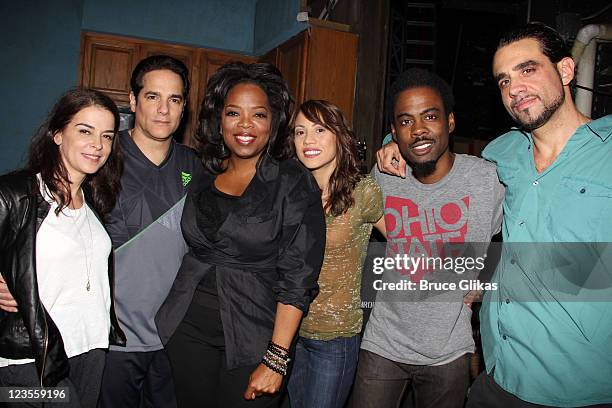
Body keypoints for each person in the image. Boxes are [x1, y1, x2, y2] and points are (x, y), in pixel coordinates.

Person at [377, 23, 612, 408]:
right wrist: (392, 145)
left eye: (528, 69)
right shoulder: (504, 153)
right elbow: (440, 157)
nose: (514, 88)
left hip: (581, 389)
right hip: (498, 380)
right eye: (503, 80)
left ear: (566, 71)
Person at [155, 62, 326, 408]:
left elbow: (298, 278)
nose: (245, 125)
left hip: (256, 335)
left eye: (258, 115)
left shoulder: (292, 182)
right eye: (234, 112)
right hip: (186, 328)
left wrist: (277, 358)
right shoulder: (202, 172)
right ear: (220, 120)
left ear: (273, 122)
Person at [352, 68, 504, 408]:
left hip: (449, 348)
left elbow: (522, 228)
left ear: (450, 122)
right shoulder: (386, 174)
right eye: (405, 122)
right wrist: (386, 148)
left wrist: (489, 276)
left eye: (430, 116)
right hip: (383, 342)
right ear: (393, 131)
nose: (418, 129)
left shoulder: (486, 179)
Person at [0, 88, 126, 407]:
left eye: (107, 136)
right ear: (57, 134)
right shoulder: (16, 194)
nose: (98, 145)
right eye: (85, 131)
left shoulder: (93, 204)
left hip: (91, 349)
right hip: (31, 359)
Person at [97, 55, 203, 408]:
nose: (163, 110)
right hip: (113, 340)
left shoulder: (194, 166)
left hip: (173, 339)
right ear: (133, 100)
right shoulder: (102, 157)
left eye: (174, 100)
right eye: (152, 97)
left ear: (184, 107)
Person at [286, 100, 384, 408]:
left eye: (319, 130)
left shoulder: (363, 192)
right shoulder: (288, 191)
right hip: (287, 333)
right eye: (300, 132)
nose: (308, 140)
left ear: (338, 136)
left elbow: (406, 240)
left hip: (335, 337)